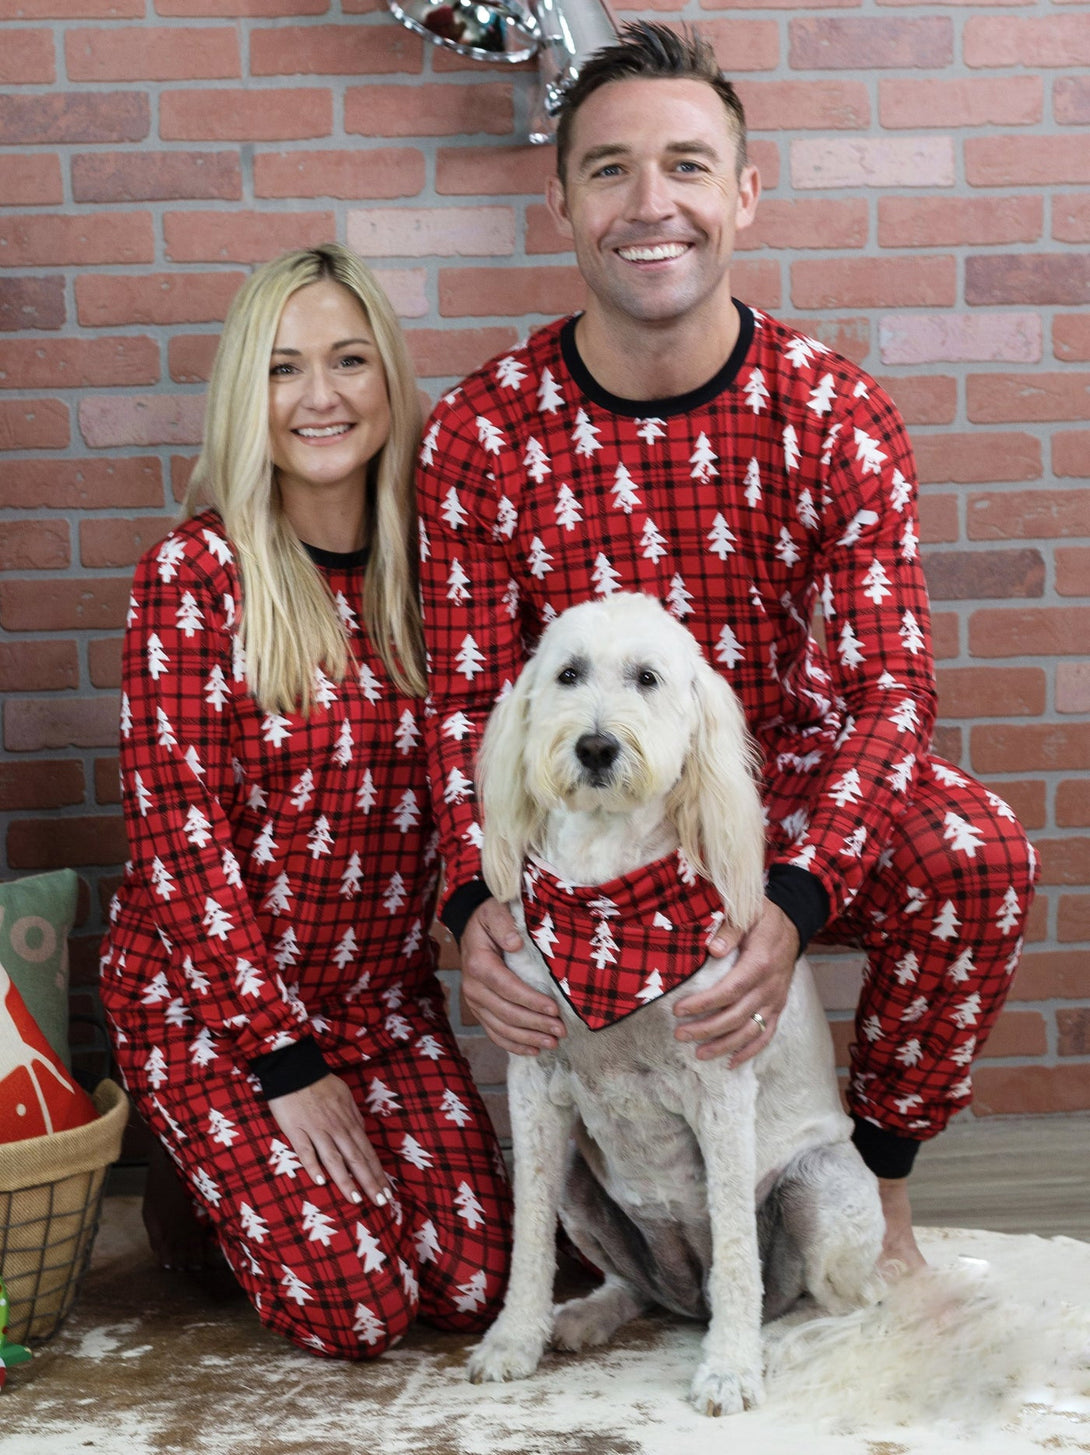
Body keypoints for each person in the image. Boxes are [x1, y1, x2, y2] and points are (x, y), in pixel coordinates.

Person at [415, 23, 1038, 1275]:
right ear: (561, 203)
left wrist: (791, 898)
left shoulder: (836, 413)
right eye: (609, 169)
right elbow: (469, 703)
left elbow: (888, 690)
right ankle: (638, 1213)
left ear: (744, 194)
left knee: (975, 858)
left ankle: (873, 1200)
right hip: (590, 801)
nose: (651, 204)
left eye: (687, 166)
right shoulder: (481, 433)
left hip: (787, 783)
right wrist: (473, 900)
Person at [100, 243, 511, 1358]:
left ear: (389, 379)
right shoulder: (194, 579)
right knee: (359, 1306)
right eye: (283, 368)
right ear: (249, 393)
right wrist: (281, 1062)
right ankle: (197, 1196)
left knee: (474, 1284)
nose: (319, 395)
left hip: (377, 1001)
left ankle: (286, 1179)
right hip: (211, 1005)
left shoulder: (442, 574)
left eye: (347, 360)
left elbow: (477, 781)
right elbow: (180, 849)